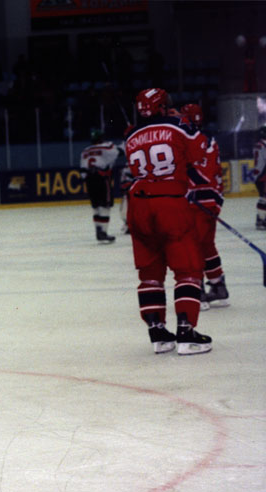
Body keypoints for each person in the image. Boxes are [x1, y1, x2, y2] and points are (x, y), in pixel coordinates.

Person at [124, 88, 211, 355]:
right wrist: (181, 123)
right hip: (170, 202)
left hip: (138, 205)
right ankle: (186, 331)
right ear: (162, 106)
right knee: (187, 269)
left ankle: (158, 333)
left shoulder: (131, 136)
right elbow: (199, 152)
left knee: (149, 273)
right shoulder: (178, 125)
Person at [179, 103, 229, 309]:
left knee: (192, 246)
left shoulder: (191, 140)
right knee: (207, 245)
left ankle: (197, 292)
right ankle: (218, 287)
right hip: (212, 199)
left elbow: (197, 172)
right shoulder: (208, 139)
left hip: (198, 200)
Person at [79, 128, 122, 242]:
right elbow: (119, 152)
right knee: (105, 205)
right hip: (101, 178)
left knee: (96, 206)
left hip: (89, 179)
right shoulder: (106, 146)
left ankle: (98, 231)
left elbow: (82, 171)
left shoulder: (85, 151)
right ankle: (103, 232)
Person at [254, 125, 266, 230]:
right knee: (263, 198)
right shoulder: (263, 145)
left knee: (263, 197)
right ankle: (261, 220)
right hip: (263, 175)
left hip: (259, 175)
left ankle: (261, 218)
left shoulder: (259, 144)